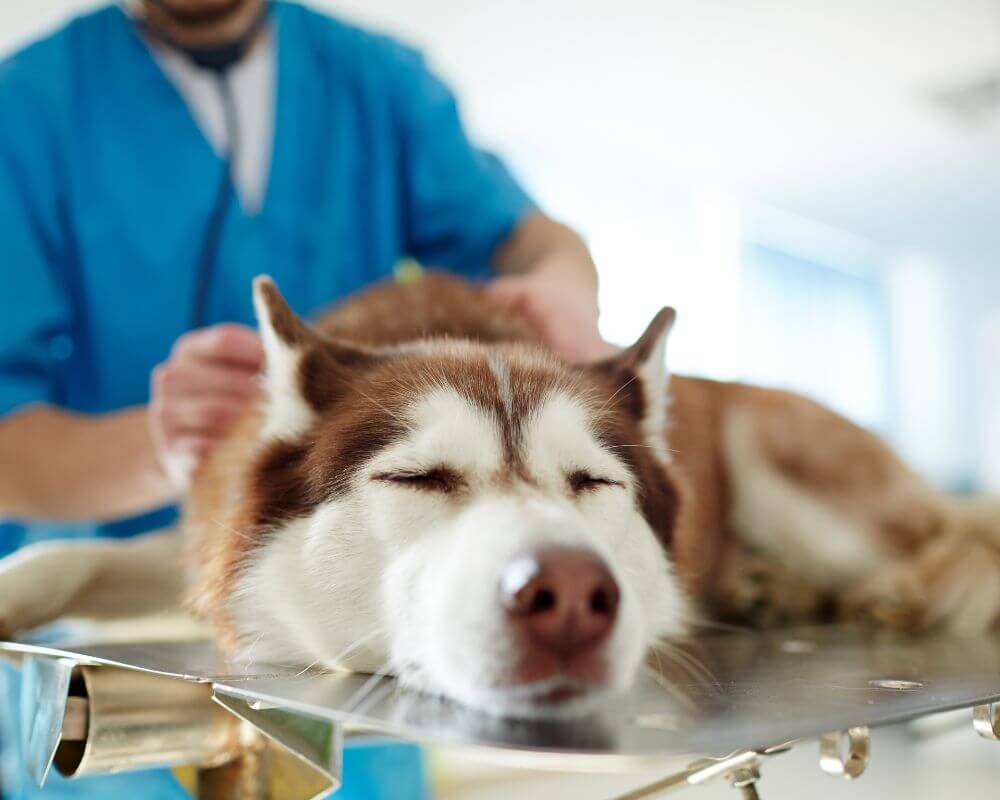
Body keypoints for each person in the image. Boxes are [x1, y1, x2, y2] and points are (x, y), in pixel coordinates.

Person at [0, 0, 611, 796]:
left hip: (358, 649)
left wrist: (560, 295)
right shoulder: (29, 108)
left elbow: (538, 242)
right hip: (121, 652)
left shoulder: (377, 83)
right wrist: (164, 445)